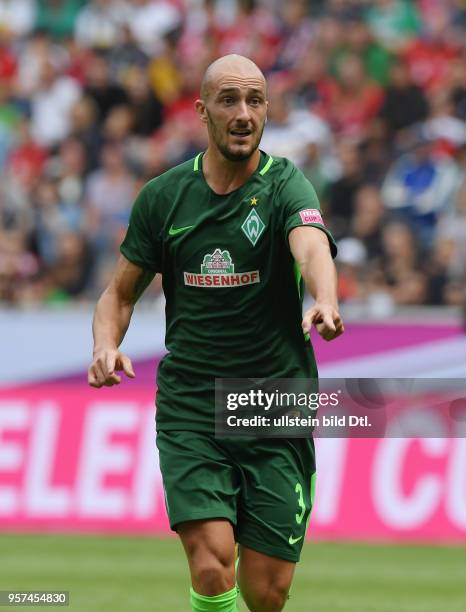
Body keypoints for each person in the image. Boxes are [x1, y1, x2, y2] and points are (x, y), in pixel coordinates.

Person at [88, 54, 344, 612]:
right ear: (203, 111)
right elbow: (119, 294)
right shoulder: (164, 197)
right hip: (192, 404)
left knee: (266, 592)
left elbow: (311, 243)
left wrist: (324, 297)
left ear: (268, 111)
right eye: (230, 100)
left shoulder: (286, 186)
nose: (244, 113)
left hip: (274, 401)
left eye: (255, 100)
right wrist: (106, 345)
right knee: (210, 564)